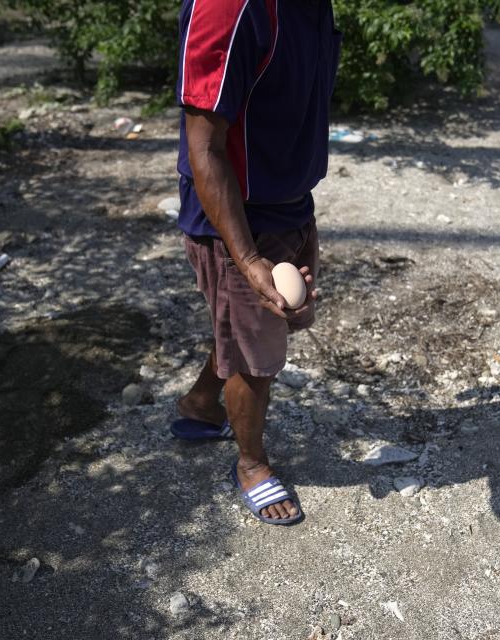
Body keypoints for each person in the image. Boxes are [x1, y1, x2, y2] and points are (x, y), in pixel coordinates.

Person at [168, 0, 341, 525]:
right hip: (237, 220)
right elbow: (206, 148)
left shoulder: (314, 7)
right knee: (255, 357)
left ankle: (199, 406)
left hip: (291, 203)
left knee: (246, 330)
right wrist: (245, 258)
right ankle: (251, 464)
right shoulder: (229, 7)